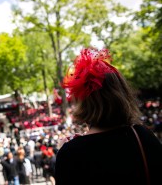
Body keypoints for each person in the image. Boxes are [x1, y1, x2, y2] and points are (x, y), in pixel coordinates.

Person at [55, 47, 162, 185]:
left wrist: (67, 150)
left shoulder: (70, 153)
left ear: (82, 102)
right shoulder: (142, 136)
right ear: (122, 93)